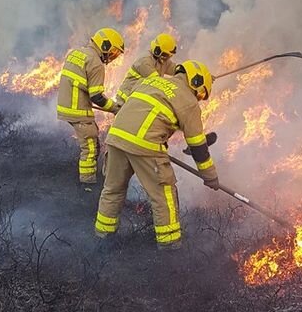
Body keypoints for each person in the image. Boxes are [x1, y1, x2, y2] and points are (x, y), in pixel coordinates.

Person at [94, 60, 220, 249]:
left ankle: (103, 236)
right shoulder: (189, 101)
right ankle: (169, 245)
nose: (199, 97)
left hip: (116, 138)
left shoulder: (151, 82)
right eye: (201, 92)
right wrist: (210, 177)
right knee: (163, 194)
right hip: (144, 145)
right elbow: (197, 146)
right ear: (195, 81)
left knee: (113, 188)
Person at [56, 28, 124, 188]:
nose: (112, 56)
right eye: (113, 52)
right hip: (78, 111)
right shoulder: (96, 63)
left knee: (91, 142)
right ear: (105, 45)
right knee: (91, 147)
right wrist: (115, 108)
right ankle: (87, 185)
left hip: (66, 106)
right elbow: (97, 97)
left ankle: (87, 180)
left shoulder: (77, 53)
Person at [115, 33, 178, 107]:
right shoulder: (145, 61)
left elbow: (175, 69)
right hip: (126, 98)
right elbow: (156, 82)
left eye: (169, 55)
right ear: (157, 50)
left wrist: (186, 71)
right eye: (165, 55)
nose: (167, 58)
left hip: (137, 98)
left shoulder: (162, 60)